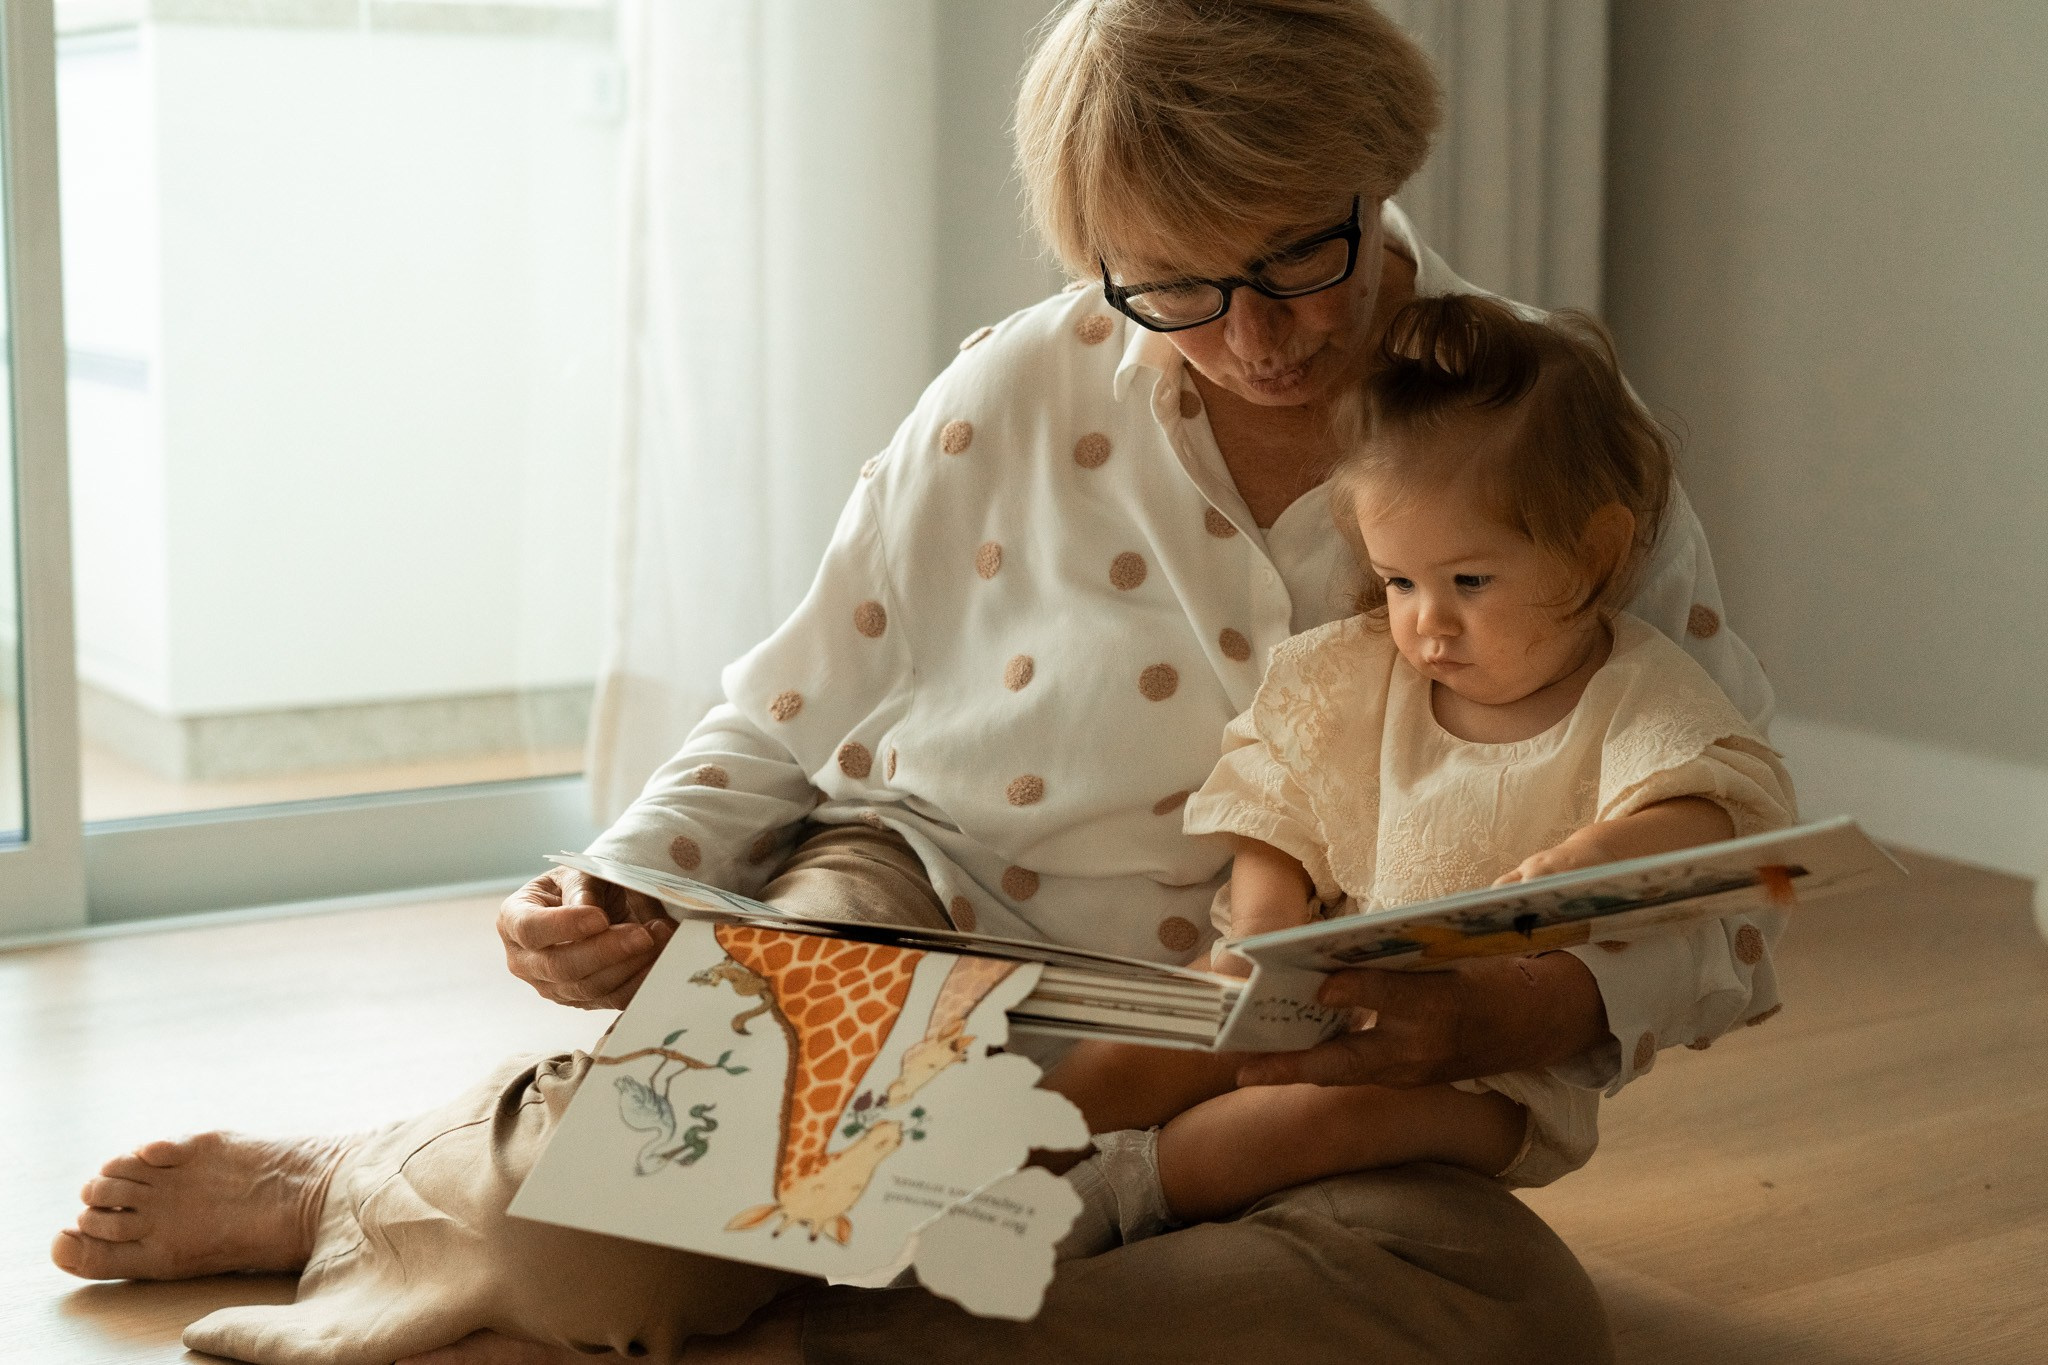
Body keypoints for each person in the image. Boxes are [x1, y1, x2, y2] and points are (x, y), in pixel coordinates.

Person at [52, 3, 1779, 1361]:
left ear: (1376, 170)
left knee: (1495, 1315)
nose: (1254, 335)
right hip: (936, 924)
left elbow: (1715, 872)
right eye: (1171, 285)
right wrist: (623, 882)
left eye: (1293, 257)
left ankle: (723, 1313)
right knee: (605, 1229)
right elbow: (789, 704)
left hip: (1287, 1073)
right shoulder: (1014, 393)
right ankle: (374, 1180)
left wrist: (1516, 1012)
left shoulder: (1538, 431)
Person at [1040, 294, 1796, 1249]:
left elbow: (1722, 808)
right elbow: (1272, 798)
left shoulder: (1633, 694)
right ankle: (993, 1148)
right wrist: (1268, 925)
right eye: (1401, 581)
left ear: (1593, 550)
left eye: (1468, 582)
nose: (1426, 622)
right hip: (1334, 980)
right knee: (1172, 1018)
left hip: (1493, 1077)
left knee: (1319, 1117)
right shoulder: (1363, 675)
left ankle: (1107, 1202)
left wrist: (1601, 854)